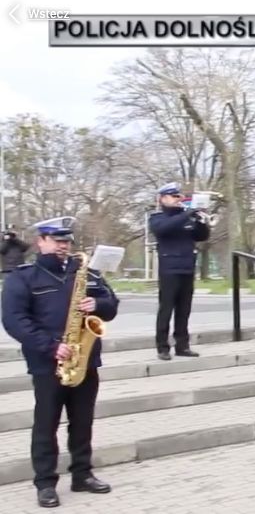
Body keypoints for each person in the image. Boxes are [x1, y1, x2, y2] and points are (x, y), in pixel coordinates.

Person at [1, 217, 120, 508]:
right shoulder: (23, 276)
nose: (62, 246)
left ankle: (82, 474)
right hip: (48, 362)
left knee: (82, 422)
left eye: (66, 241)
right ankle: (45, 483)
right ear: (41, 242)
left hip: (85, 359)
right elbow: (14, 320)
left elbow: (112, 305)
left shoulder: (87, 273)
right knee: (46, 424)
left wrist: (99, 305)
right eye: (56, 241)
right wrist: (52, 346)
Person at [148, 182, 210, 360]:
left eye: (179, 197)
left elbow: (202, 236)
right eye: (174, 197)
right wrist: (188, 213)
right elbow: (164, 229)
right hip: (169, 269)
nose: (178, 200)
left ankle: (182, 345)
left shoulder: (186, 217)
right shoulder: (157, 217)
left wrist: (201, 221)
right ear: (163, 198)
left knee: (184, 310)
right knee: (166, 309)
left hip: (187, 267)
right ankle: (162, 347)